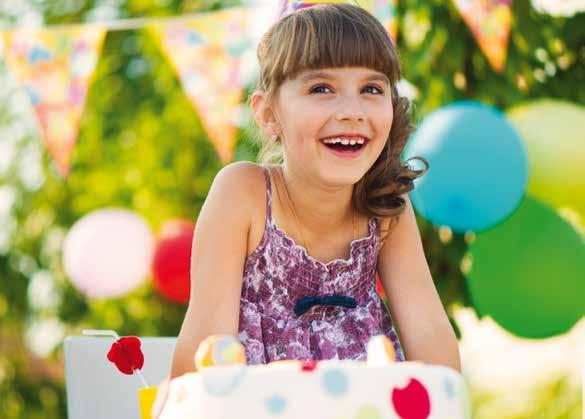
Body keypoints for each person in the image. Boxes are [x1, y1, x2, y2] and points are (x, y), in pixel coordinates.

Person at [169, 3, 461, 378]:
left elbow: (430, 335)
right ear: (268, 114)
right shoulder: (243, 193)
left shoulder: (387, 205)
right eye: (321, 88)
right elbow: (203, 349)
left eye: (371, 88)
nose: (352, 110)